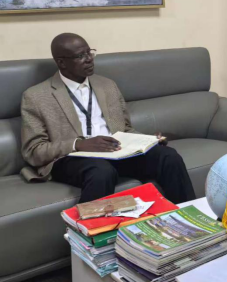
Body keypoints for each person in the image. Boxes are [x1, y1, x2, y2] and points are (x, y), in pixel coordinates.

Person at [20, 33, 196, 204]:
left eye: (90, 52)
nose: (89, 59)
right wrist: (79, 144)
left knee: (168, 156)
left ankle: (188, 217)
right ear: (61, 62)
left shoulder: (107, 85)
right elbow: (33, 151)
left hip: (116, 151)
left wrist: (148, 141)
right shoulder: (36, 96)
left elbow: (125, 129)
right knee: (101, 171)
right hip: (73, 158)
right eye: (81, 56)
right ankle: (86, 224)